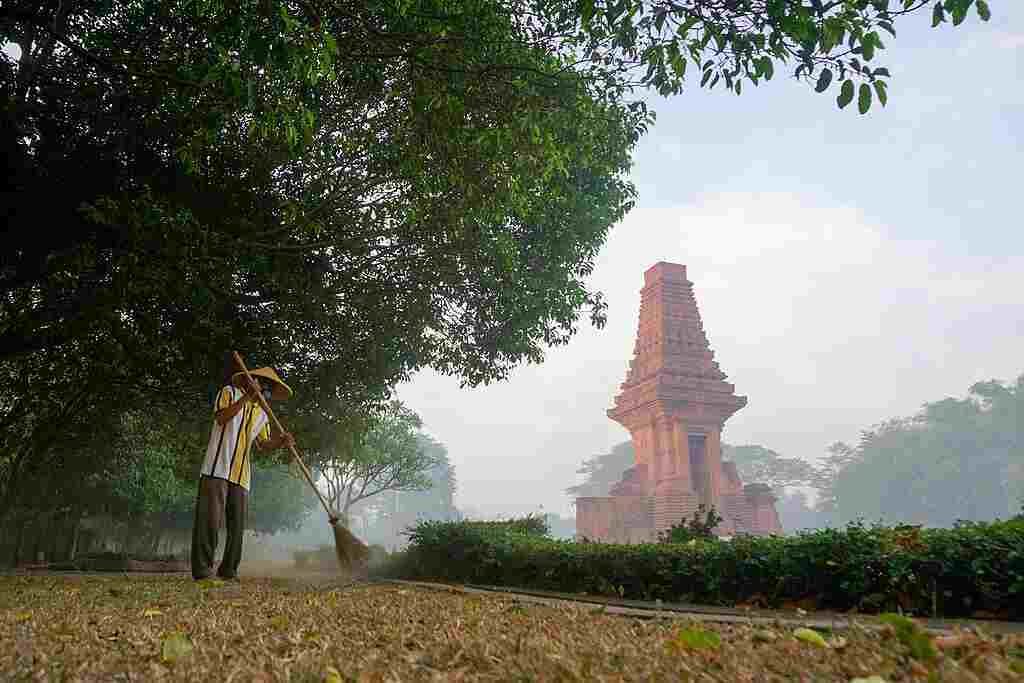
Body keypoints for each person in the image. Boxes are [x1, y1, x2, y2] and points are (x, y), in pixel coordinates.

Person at [190, 364, 296, 580]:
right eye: (263, 385)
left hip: (242, 476)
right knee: (209, 520)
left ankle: (229, 571)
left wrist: (281, 442)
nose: (265, 391)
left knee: (237, 525)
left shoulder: (263, 414)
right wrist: (246, 397)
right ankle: (203, 571)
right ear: (250, 380)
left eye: (269, 389)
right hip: (217, 468)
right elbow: (221, 418)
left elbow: (263, 446)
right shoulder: (229, 393)